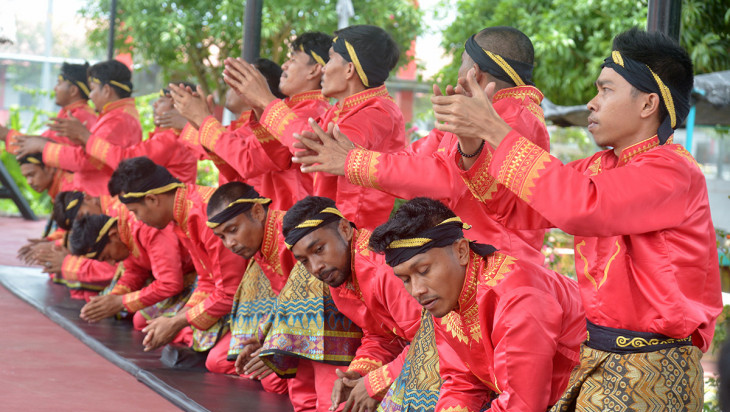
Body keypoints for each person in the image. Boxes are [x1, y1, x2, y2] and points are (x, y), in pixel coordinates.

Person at [431, 27, 723, 412]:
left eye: (605, 90)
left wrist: (494, 128)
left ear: (649, 103)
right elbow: (516, 208)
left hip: (651, 372)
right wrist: (472, 143)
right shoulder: (599, 168)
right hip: (601, 363)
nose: (592, 103)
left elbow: (579, 205)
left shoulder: (673, 169)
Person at [367, 197, 585, 412]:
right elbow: (462, 378)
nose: (417, 290)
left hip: (573, 403)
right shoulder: (446, 294)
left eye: (424, 270)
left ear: (460, 251)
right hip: (519, 400)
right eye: (405, 279)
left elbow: (520, 411)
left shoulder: (518, 297)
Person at [293, 26, 548, 264]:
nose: (457, 75)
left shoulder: (510, 118)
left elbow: (444, 178)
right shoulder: (491, 113)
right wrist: (354, 158)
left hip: (501, 263)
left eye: (461, 63)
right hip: (470, 259)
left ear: (475, 72)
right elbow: (415, 159)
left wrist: (354, 161)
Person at [223, 24, 406, 229]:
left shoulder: (378, 111)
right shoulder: (339, 110)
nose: (325, 69)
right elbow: (283, 155)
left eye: (330, 58)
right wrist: (260, 104)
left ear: (349, 69)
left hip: (352, 237)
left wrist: (266, 101)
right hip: (325, 233)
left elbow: (317, 148)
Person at [282, 196, 426, 412]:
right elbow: (379, 336)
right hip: (412, 356)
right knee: (338, 411)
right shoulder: (339, 276)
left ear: (344, 229)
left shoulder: (384, 271)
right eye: (304, 261)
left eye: (319, 249)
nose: (315, 267)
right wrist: (360, 373)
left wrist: (376, 384)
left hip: (450, 357)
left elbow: (433, 341)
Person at [108, 157, 247, 366]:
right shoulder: (182, 216)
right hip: (230, 293)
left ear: (153, 199)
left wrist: (177, 322)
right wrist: (177, 321)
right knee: (152, 323)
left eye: (136, 212)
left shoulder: (204, 215)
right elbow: (207, 281)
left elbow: (230, 292)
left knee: (217, 362)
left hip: (258, 293)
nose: (136, 220)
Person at [175, 33, 332, 210]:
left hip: (288, 224)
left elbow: (247, 159)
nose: (284, 65)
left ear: (315, 69)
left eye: (293, 59)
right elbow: (235, 159)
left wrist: (201, 120)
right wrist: (199, 121)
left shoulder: (310, 114)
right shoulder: (289, 111)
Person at [204, 181, 296, 380]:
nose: (229, 243)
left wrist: (276, 345)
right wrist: (262, 339)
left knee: (298, 395)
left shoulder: (290, 237)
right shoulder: (262, 244)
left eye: (233, 229)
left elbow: (314, 304)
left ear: (257, 212)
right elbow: (285, 301)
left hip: (331, 325)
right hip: (298, 326)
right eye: (221, 236)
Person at [16, 60, 142, 196]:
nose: (90, 95)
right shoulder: (115, 116)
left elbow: (84, 160)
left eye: (93, 89)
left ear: (106, 90)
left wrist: (43, 147)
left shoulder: (117, 120)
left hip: (101, 200)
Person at [69, 209, 195, 344]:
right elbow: (135, 271)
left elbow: (170, 283)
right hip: (180, 280)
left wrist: (121, 302)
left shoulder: (149, 227)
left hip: (200, 278)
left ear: (113, 235)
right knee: (141, 320)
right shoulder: (124, 233)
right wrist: (115, 296)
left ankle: (191, 337)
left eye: (107, 257)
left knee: (142, 321)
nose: (112, 263)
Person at [172, 59, 285, 187]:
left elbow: (244, 157)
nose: (230, 85)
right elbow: (221, 148)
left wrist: (200, 119)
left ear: (261, 86)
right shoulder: (239, 126)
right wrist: (197, 120)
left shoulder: (271, 126)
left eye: (239, 79)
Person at [81, 83, 199, 184]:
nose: (155, 104)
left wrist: (87, 139)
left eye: (162, 101)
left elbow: (128, 163)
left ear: (178, 109)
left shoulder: (171, 139)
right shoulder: (167, 135)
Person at [1, 62, 98, 153]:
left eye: (59, 83)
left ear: (73, 90)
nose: (55, 88)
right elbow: (42, 143)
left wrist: (6, 134)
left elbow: (47, 149)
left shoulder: (78, 117)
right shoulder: (73, 112)